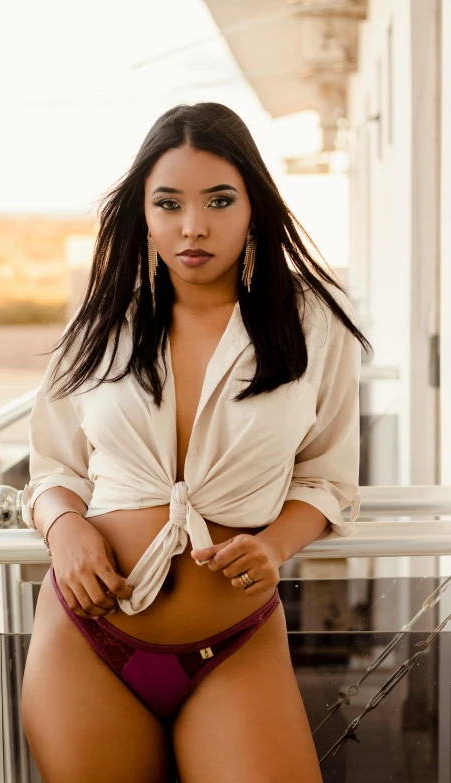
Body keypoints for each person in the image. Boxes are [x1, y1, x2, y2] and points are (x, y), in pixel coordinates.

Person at [20, 101, 371, 783]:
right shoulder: (103, 324)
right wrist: (66, 529)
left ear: (253, 206)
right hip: (86, 638)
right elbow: (54, 466)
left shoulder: (315, 326)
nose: (194, 226)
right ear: (144, 214)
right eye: (168, 203)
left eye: (218, 199)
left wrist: (274, 545)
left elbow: (327, 479)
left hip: (234, 644)